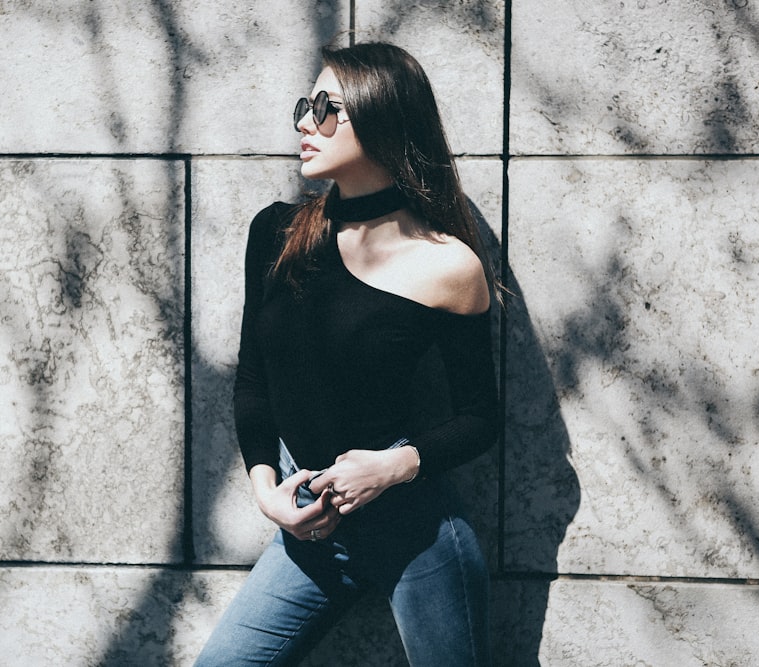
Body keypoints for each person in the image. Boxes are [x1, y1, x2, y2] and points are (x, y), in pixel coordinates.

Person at [195, 42, 499, 666]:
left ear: (382, 117)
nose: (306, 122)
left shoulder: (447, 264)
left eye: (327, 108)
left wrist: (391, 467)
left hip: (417, 534)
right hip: (311, 530)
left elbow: (480, 418)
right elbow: (253, 379)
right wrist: (267, 494)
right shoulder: (276, 233)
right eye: (305, 106)